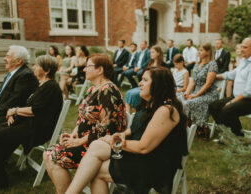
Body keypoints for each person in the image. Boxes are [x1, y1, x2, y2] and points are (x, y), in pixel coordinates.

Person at [64, 66, 188, 194]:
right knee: (96, 146)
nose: (140, 83)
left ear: (158, 85)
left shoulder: (166, 111)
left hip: (154, 165)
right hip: (141, 156)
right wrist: (121, 134)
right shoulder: (152, 105)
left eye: (145, 80)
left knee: (94, 170)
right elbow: (136, 128)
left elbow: (143, 147)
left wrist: (113, 140)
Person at [44, 54, 126, 194]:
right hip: (87, 140)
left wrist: (79, 141)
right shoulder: (92, 89)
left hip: (102, 144)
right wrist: (74, 133)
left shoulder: (107, 90)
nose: (84, 69)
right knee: (47, 154)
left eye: (88, 66)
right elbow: (84, 116)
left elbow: (107, 126)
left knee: (54, 157)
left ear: (100, 70)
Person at [0, 55, 62, 189]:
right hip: (28, 124)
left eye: (36, 65)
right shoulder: (41, 85)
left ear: (47, 70)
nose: (33, 67)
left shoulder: (51, 87)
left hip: (37, 129)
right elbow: (29, 107)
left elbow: (35, 110)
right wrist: (14, 114)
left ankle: (0, 181)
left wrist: (14, 111)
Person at [209, 38, 251, 136]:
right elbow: (232, 74)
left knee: (227, 110)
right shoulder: (244, 61)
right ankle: (228, 132)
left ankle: (238, 136)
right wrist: (215, 76)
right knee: (213, 106)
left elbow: (249, 92)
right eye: (241, 46)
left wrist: (232, 102)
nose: (241, 49)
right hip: (240, 97)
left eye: (245, 47)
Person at [0, 45, 38, 126]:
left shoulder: (26, 76)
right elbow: (2, 96)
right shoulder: (13, 74)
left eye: (8, 57)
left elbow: (16, 100)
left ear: (18, 61)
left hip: (9, 116)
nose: (4, 59)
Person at [178, 43, 219, 129]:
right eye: (198, 50)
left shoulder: (212, 64)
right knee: (179, 98)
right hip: (195, 92)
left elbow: (208, 84)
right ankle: (183, 125)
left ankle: (194, 127)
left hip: (208, 94)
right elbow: (192, 82)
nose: (198, 52)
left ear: (208, 52)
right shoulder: (197, 64)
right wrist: (186, 93)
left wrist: (195, 95)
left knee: (187, 103)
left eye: (201, 50)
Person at [125, 45, 166, 113]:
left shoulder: (163, 65)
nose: (151, 54)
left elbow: (164, 79)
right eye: (150, 53)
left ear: (158, 53)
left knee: (134, 94)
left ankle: (137, 112)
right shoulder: (150, 63)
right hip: (146, 85)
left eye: (153, 52)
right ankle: (128, 114)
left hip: (155, 88)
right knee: (128, 93)